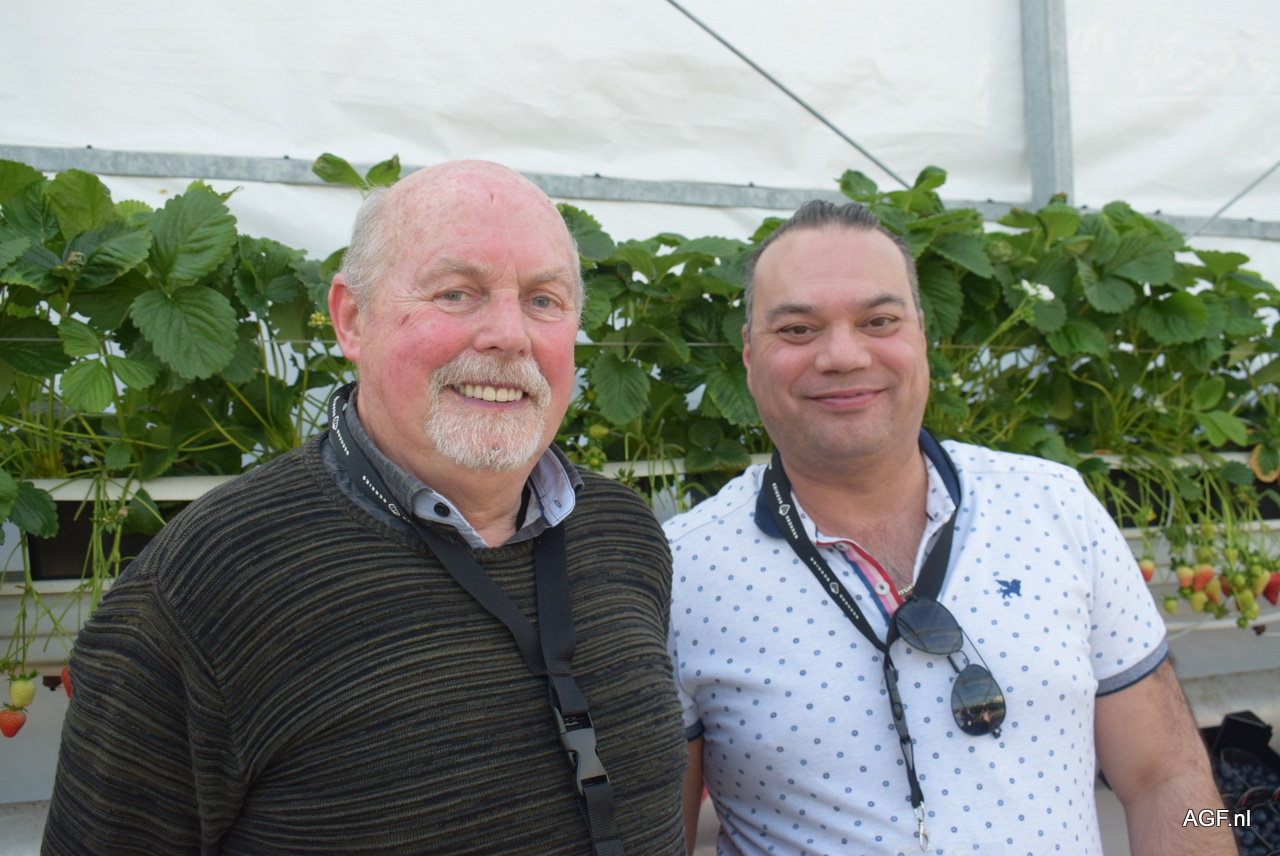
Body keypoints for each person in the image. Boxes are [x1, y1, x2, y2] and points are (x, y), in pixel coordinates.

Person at [43, 161, 687, 855]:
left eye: (543, 300)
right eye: (456, 293)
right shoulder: (211, 580)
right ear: (352, 319)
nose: (509, 334)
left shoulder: (624, 532)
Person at [665, 200, 1235, 855]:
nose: (843, 355)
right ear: (748, 355)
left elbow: (1166, 778)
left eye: (879, 321)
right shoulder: (681, 570)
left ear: (922, 337)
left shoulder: (1055, 507)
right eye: (797, 329)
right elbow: (659, 841)